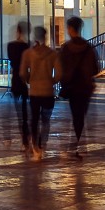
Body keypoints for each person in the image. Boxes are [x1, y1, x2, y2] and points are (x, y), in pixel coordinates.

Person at [58, 16, 100, 159]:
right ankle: (80, 146)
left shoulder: (65, 48)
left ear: (70, 29)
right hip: (86, 87)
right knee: (81, 116)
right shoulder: (88, 47)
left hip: (72, 87)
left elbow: (61, 69)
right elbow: (96, 68)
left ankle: (77, 146)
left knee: (76, 116)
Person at [20, 25, 61, 161]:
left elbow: (22, 72)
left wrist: (29, 80)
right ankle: (43, 143)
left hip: (35, 91)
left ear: (34, 37)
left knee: (34, 119)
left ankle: (36, 148)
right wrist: (51, 81)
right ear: (45, 36)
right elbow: (59, 73)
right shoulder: (53, 54)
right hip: (48, 91)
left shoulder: (28, 54)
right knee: (46, 120)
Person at [5, 22, 31, 152]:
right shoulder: (28, 47)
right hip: (25, 81)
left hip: (16, 81)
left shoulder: (11, 46)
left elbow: (12, 61)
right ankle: (27, 140)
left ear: (17, 31)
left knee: (19, 114)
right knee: (27, 114)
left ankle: (24, 141)